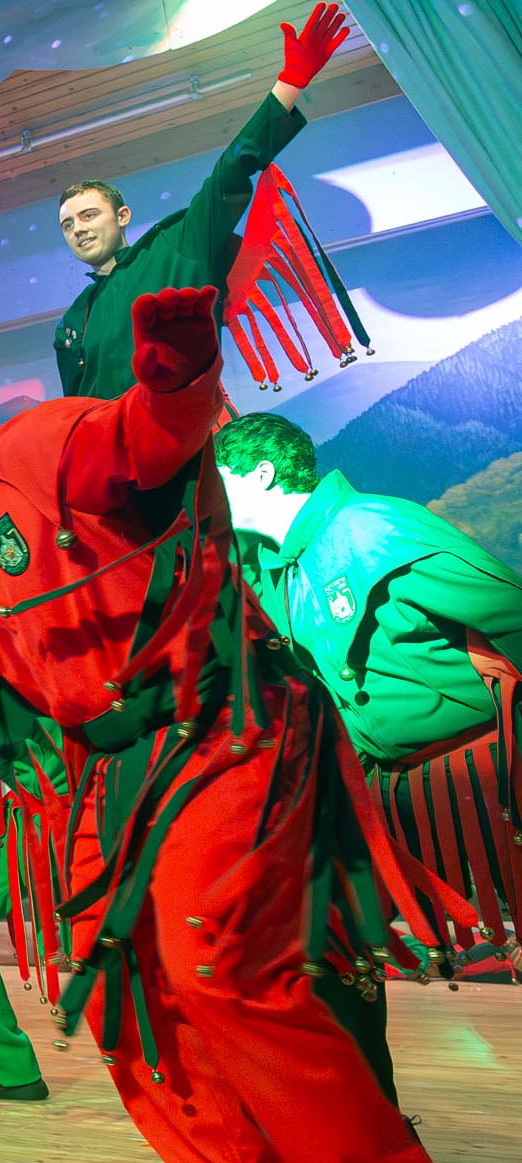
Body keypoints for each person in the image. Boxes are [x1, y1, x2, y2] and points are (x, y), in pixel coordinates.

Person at [0, 288, 454, 1163]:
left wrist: (179, 369)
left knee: (215, 968)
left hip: (215, 727)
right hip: (120, 769)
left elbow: (149, 438)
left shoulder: (36, 443)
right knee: (126, 1001)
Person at [217, 410, 522, 1095]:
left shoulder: (373, 528)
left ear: (259, 473)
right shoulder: (271, 567)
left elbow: (511, 615)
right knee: (329, 940)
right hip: (392, 793)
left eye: (216, 478)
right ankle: (367, 1116)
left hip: (485, 782)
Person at [54, 3, 350, 399]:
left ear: (122, 216)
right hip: (108, 441)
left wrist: (289, 84)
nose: (78, 229)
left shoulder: (175, 247)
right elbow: (74, 410)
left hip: (188, 430)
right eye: (68, 224)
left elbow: (229, 173)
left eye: (88, 215)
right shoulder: (74, 320)